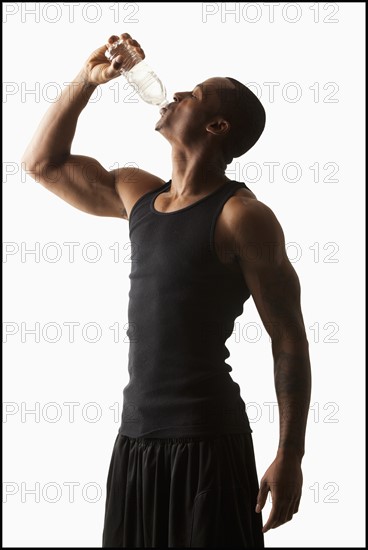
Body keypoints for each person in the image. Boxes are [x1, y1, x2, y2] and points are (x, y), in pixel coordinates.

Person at [22, 33, 312, 548]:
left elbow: (288, 337)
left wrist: (290, 454)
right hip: (135, 441)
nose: (176, 95)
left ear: (215, 126)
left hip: (208, 443)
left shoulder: (244, 217)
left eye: (194, 96)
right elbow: (41, 165)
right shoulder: (136, 192)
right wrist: (84, 83)